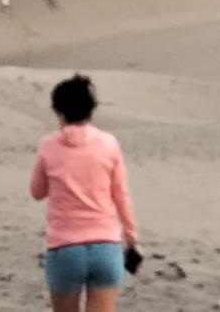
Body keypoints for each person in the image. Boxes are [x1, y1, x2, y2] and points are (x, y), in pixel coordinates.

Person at [31, 75, 137, 312]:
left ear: (58, 110)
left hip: (64, 247)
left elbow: (36, 192)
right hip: (106, 245)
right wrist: (131, 237)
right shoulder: (109, 143)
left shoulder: (48, 146)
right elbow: (121, 195)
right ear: (92, 108)